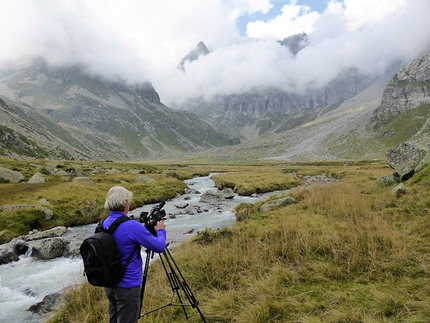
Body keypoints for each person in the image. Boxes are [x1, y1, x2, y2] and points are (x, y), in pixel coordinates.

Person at [102, 186, 166, 323]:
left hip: (109, 283)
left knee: (113, 319)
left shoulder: (102, 224)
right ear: (124, 203)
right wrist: (160, 231)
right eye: (128, 201)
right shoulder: (131, 226)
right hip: (128, 285)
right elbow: (159, 247)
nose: (129, 204)